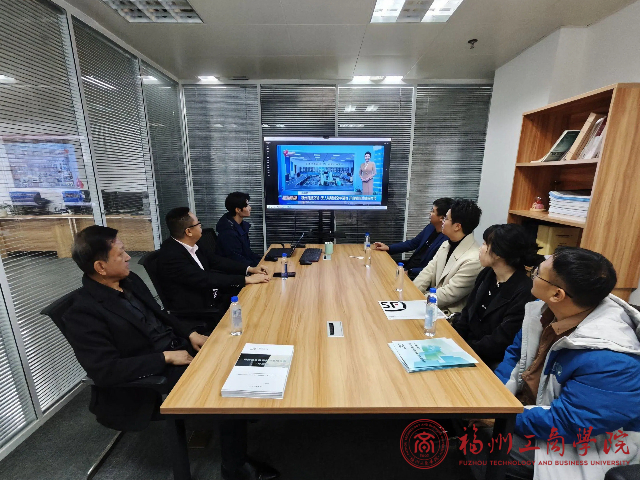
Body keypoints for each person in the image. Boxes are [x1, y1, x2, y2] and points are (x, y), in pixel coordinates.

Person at [64, 226, 278, 480]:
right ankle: (235, 468)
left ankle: (246, 413)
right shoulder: (83, 311)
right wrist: (164, 357)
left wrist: (190, 334)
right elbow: (104, 370)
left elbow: (161, 314)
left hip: (177, 346)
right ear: (100, 267)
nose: (128, 257)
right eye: (120, 254)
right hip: (152, 373)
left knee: (239, 346)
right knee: (226, 386)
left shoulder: (129, 282)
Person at [494, 247, 640, 480]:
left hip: (584, 447)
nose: (532, 274)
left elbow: (569, 423)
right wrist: (493, 399)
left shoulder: (612, 358)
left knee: (485, 443)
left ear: (557, 294)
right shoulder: (544, 311)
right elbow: (515, 356)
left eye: (537, 273)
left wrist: (501, 417)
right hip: (534, 412)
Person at [159, 207, 269, 334]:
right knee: (254, 318)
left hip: (215, 296)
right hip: (202, 309)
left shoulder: (192, 244)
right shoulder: (171, 255)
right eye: (198, 223)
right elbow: (204, 278)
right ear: (188, 231)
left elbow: (216, 261)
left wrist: (250, 269)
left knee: (258, 300)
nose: (201, 226)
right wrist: (245, 279)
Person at [451, 224, 542, 368]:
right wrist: (453, 339)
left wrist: (463, 350)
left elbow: (500, 341)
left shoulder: (524, 291)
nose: (480, 249)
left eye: (485, 244)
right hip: (465, 349)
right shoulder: (487, 274)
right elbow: (467, 312)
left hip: (488, 360)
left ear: (498, 253)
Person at [413, 199, 483, 313]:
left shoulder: (474, 260)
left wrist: (417, 301)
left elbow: (448, 294)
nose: (443, 221)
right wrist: (411, 293)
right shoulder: (446, 244)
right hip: (431, 304)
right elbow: (428, 272)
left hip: (448, 314)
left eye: (446, 218)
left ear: (457, 226)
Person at [373, 198, 453, 280]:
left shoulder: (447, 240)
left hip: (418, 276)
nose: (430, 213)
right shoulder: (430, 227)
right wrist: (389, 248)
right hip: (408, 267)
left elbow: (434, 269)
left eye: (433, 211)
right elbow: (412, 244)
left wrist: (410, 272)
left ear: (441, 218)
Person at [216, 192, 262, 268]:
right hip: (238, 270)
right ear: (238, 210)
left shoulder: (240, 226)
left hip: (245, 266)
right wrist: (257, 266)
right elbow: (237, 260)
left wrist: (262, 261)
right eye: (246, 206)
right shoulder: (228, 232)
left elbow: (247, 253)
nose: (250, 208)